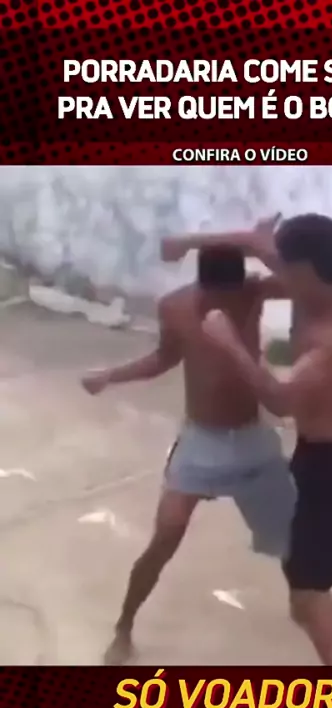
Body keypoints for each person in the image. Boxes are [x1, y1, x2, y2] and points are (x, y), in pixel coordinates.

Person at [174, 214, 332, 665]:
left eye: (287, 271)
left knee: (309, 590)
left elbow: (280, 400)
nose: (278, 278)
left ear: (308, 270)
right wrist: (188, 241)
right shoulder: (323, 285)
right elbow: (255, 243)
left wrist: (230, 343)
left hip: (331, 459)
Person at [81, 244, 297, 664]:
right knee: (166, 535)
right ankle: (124, 627)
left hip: (252, 438)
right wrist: (110, 376)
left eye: (235, 294)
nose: (227, 304)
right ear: (203, 287)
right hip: (201, 442)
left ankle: (302, 601)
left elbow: (302, 282)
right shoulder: (175, 306)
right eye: (220, 297)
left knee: (290, 537)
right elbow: (163, 357)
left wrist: (254, 241)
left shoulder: (253, 292)